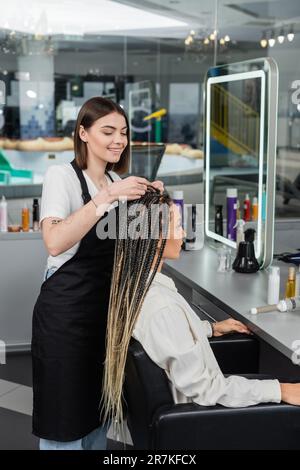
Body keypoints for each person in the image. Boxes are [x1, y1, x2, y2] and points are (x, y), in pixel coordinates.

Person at [102, 188, 300, 433]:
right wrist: (282, 390)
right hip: (203, 421)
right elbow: (208, 390)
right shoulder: (162, 308)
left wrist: (209, 328)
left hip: (194, 409)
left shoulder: (136, 287)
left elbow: (166, 337)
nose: (184, 233)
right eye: (177, 227)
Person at [31, 97, 164, 450]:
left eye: (123, 132)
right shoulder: (62, 177)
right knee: (65, 423)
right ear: (83, 133)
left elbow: (143, 255)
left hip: (105, 320)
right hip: (66, 320)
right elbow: (55, 241)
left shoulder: (114, 179)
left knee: (96, 418)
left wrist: (152, 207)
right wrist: (109, 197)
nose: (118, 140)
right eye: (108, 131)